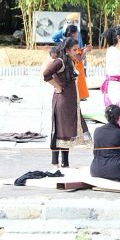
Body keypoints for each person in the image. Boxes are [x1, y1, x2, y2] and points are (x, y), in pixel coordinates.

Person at [43, 38, 90, 170]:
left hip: (70, 101)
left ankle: (65, 163)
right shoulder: (60, 61)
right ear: (67, 50)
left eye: (77, 49)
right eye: (74, 50)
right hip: (62, 101)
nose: (76, 52)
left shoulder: (69, 61)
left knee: (67, 132)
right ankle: (54, 163)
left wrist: (84, 52)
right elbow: (46, 74)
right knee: (59, 131)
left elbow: (79, 59)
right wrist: (57, 86)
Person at [63, 24, 91, 101]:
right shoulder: (71, 43)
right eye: (77, 32)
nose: (78, 34)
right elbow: (78, 58)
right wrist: (85, 51)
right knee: (77, 86)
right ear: (73, 33)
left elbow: (77, 54)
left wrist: (82, 50)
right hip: (74, 67)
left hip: (75, 67)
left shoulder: (68, 41)